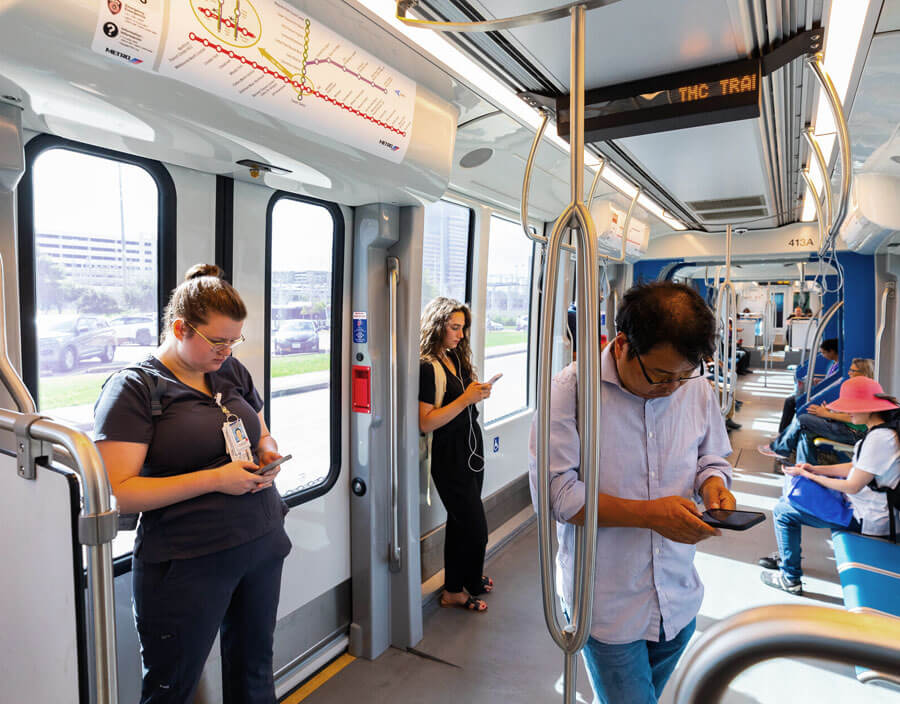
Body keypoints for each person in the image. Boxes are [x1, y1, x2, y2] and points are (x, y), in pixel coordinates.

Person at [528, 281, 735, 704]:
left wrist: (714, 486)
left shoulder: (692, 386)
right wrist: (650, 514)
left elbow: (711, 458)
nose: (673, 387)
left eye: (683, 376)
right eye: (660, 376)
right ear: (622, 344)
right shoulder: (570, 392)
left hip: (677, 599)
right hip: (607, 605)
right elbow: (557, 495)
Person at [94, 264, 291, 704]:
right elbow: (118, 491)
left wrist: (268, 450)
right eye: (217, 341)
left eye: (234, 340)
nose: (227, 350)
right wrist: (215, 480)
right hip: (188, 560)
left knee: (255, 672)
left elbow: (259, 430)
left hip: (259, 542)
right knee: (172, 686)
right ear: (181, 328)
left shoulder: (230, 372)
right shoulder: (136, 389)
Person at [760, 376, 900, 593]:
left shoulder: (879, 439)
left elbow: (852, 485)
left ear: (870, 408)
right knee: (788, 500)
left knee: (783, 512)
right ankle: (788, 556)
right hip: (865, 507)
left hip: (869, 518)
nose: (848, 412)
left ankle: (790, 578)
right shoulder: (881, 433)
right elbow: (855, 468)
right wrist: (813, 469)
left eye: (852, 408)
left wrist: (812, 478)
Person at [419, 297, 496, 613]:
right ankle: (464, 583)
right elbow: (426, 421)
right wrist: (465, 399)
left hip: (470, 452)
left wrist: (477, 393)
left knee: (460, 521)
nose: (460, 335)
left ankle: (461, 585)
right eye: (454, 328)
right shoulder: (427, 367)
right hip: (449, 458)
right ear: (438, 327)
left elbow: (465, 404)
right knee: (476, 528)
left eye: (462, 328)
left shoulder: (455, 359)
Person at [759, 359, 873, 463]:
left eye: (853, 370)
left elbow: (854, 419)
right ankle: (806, 468)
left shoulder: (865, 392)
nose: (849, 373)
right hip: (844, 428)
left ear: (864, 373)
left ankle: (780, 449)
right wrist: (830, 410)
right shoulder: (856, 388)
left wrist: (826, 413)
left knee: (803, 419)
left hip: (852, 433)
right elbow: (848, 411)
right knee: (806, 433)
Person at [778, 338, 840, 432]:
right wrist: (821, 380)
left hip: (825, 396)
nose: (822, 356)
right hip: (822, 390)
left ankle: (782, 432)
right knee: (791, 400)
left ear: (831, 352)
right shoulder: (833, 364)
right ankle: (783, 431)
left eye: (823, 353)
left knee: (790, 401)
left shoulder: (838, 366)